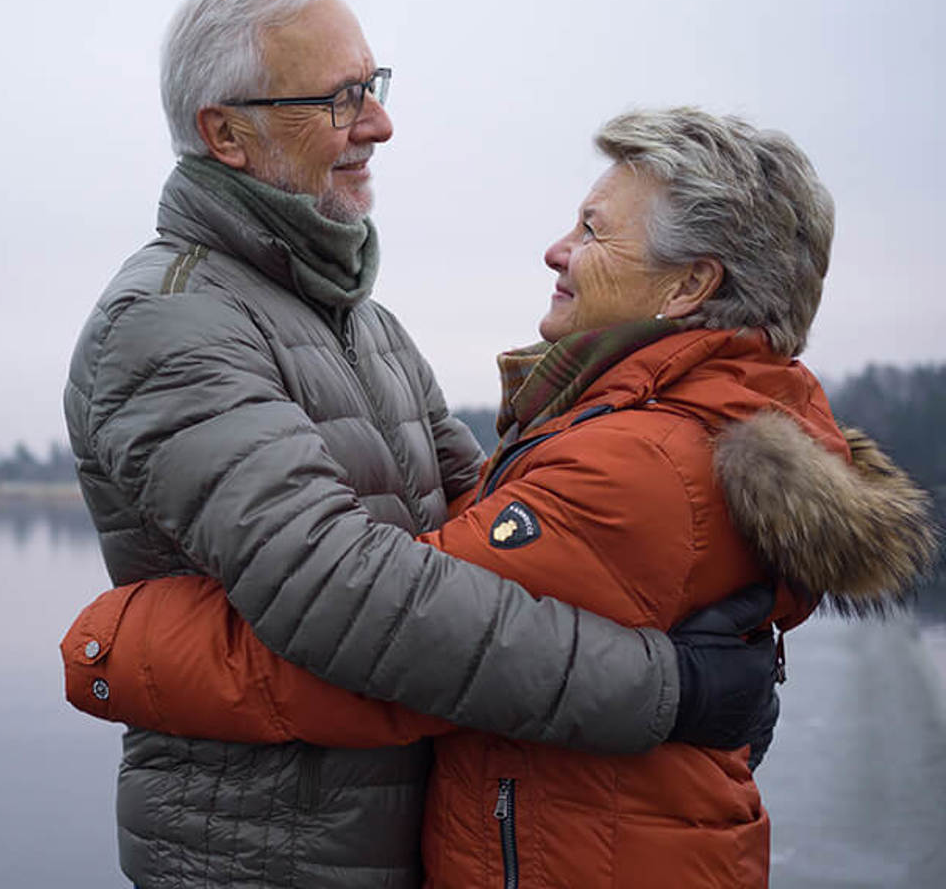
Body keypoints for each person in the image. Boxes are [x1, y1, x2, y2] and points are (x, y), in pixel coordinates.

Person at [65, 106, 935, 887]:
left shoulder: (640, 468)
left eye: (594, 231)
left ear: (687, 287)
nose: (558, 250)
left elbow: (387, 654)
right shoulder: (693, 424)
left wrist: (116, 648)